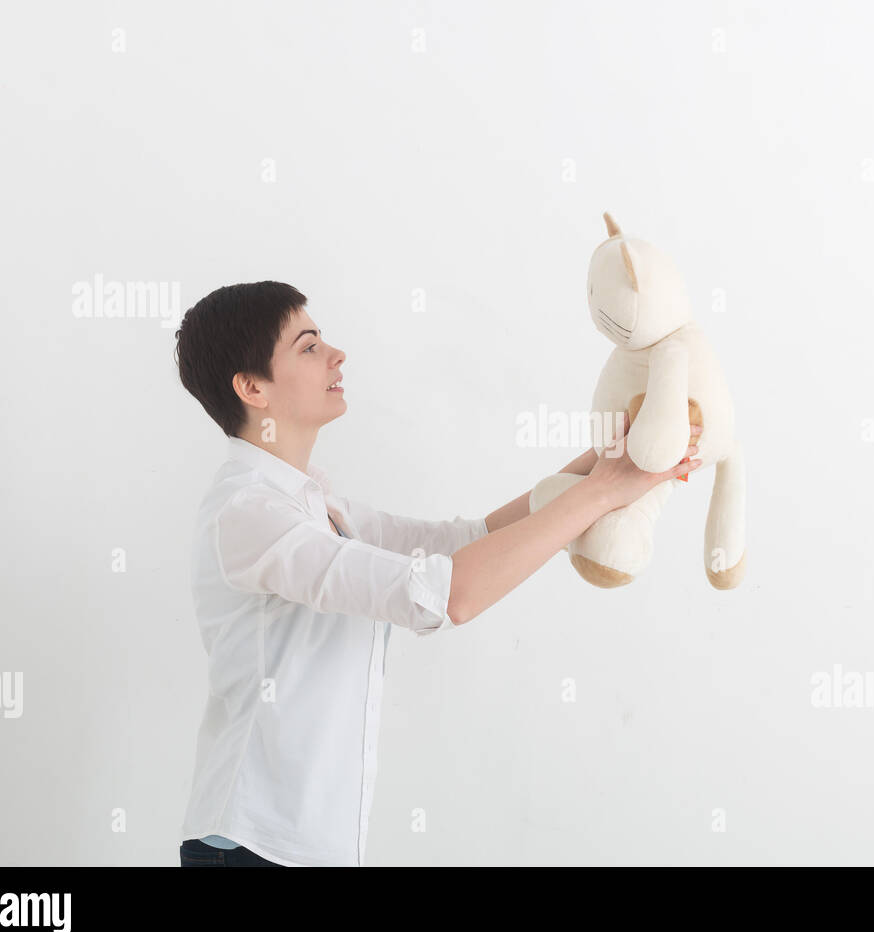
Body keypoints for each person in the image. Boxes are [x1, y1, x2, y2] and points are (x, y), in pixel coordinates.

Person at [172, 280, 701, 866]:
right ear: (250, 388)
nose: (336, 355)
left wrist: (605, 462)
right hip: (253, 847)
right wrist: (602, 494)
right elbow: (447, 595)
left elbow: (465, 543)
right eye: (308, 346)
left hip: (295, 849)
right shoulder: (250, 512)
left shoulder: (314, 502)